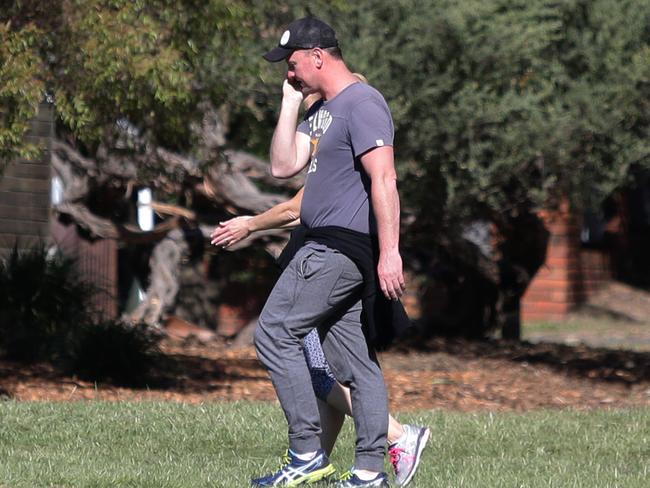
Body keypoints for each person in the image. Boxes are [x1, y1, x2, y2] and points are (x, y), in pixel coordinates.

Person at [246, 16, 406, 487]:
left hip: (335, 250)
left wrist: (390, 252)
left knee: (274, 334)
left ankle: (306, 454)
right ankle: (370, 472)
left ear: (318, 56)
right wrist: (289, 103)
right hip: (333, 250)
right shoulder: (323, 110)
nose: (289, 74)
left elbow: (385, 179)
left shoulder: (363, 103)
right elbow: (281, 165)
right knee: (356, 364)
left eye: (293, 65)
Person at [211, 185, 430, 487]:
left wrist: (250, 224)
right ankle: (317, 464)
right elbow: (299, 205)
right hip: (327, 265)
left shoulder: (342, 154)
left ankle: (397, 435)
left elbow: (296, 208)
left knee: (320, 374)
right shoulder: (337, 162)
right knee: (328, 376)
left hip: (325, 270)